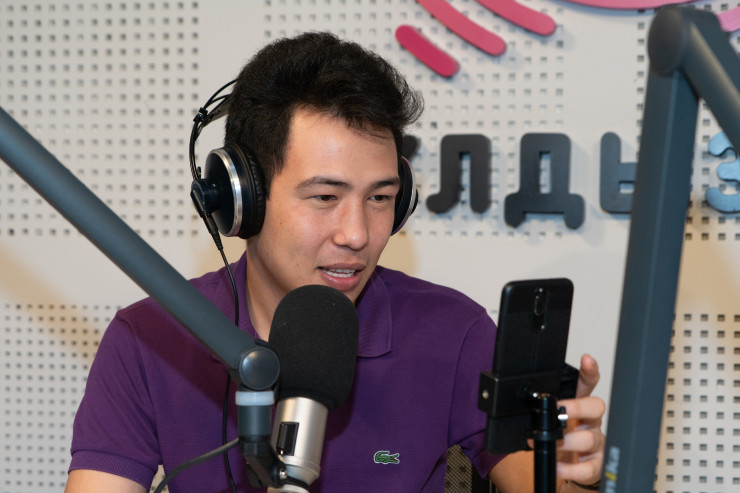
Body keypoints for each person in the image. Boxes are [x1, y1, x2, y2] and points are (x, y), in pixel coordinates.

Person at [64, 32, 606, 492]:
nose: (358, 235)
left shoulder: (454, 333)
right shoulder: (149, 339)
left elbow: (537, 478)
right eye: (325, 197)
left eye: (380, 197)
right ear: (243, 201)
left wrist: (561, 466)